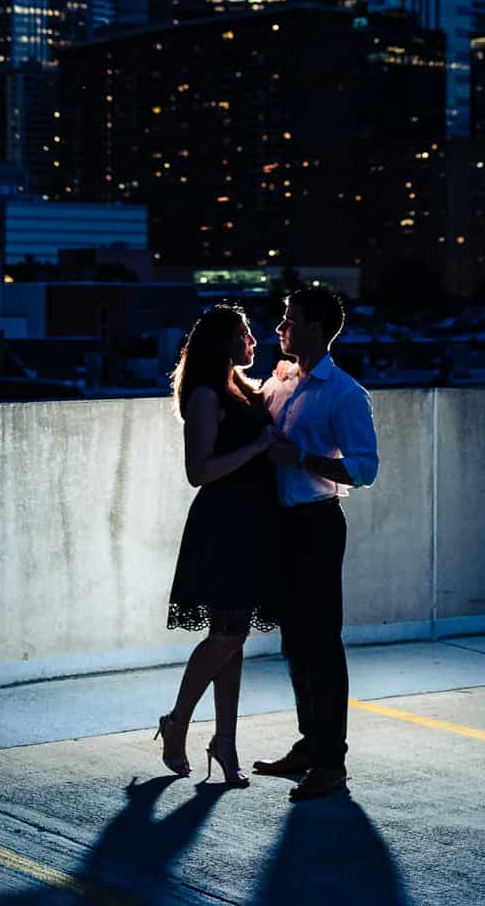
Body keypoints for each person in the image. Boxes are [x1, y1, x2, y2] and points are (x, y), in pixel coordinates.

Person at [255, 283, 379, 802]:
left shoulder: (345, 393)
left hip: (317, 525)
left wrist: (301, 459)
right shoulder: (281, 382)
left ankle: (332, 764)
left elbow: (365, 469)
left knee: (321, 645)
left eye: (289, 318)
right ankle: (310, 746)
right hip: (280, 526)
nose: (280, 326)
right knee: (294, 643)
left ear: (313, 328)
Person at [157, 304, 282, 787]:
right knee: (226, 636)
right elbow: (199, 472)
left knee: (235, 637)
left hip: (252, 523)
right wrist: (257, 447)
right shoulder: (207, 395)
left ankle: (225, 742)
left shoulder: (241, 389)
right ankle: (178, 724)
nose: (252, 339)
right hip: (224, 525)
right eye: (243, 333)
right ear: (223, 342)